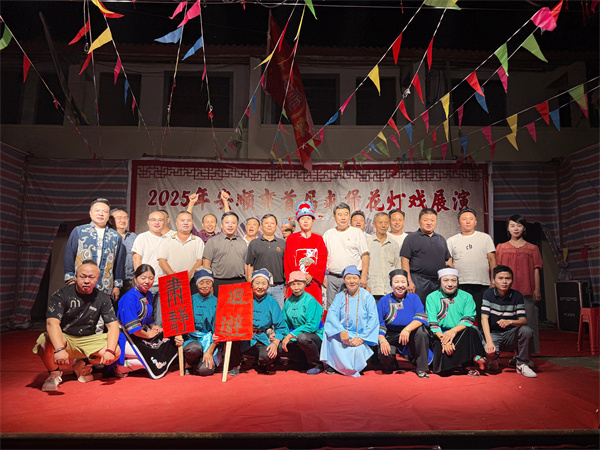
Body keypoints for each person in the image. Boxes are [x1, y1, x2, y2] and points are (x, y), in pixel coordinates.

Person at [33, 260, 120, 391]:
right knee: (45, 342)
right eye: (83, 276)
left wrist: (110, 351)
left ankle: (82, 364)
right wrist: (59, 349)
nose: (87, 281)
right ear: (75, 277)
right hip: (65, 339)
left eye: (91, 277)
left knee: (115, 351)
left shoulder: (103, 298)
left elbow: (113, 326)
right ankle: (54, 373)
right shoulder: (61, 295)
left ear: (98, 278)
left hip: (88, 340)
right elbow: (52, 323)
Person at [114, 264, 177, 379]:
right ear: (135, 278)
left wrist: (153, 326)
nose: (147, 281)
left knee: (168, 340)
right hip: (125, 337)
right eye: (143, 278)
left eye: (151, 278)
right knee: (153, 354)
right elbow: (133, 328)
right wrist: (148, 335)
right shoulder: (129, 298)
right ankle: (121, 366)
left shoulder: (148, 294)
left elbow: (148, 317)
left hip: (141, 333)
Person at [426, 268, 487, 377]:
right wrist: (444, 340)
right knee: (442, 370)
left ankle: (468, 365)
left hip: (460, 332)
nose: (450, 284)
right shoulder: (431, 297)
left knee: (471, 330)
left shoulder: (467, 297)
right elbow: (432, 321)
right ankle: (463, 359)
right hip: (439, 335)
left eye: (453, 280)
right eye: (446, 280)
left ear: (458, 281)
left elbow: (468, 319)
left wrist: (453, 331)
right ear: (440, 281)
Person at [495, 214, 543, 354]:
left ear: (524, 228)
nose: (516, 228)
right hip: (506, 292)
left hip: (526, 290)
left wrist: (537, 289)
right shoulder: (501, 248)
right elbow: (497, 270)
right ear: (508, 228)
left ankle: (527, 354)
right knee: (508, 322)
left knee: (530, 322)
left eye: (519, 225)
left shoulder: (532, 248)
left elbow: (536, 269)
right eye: (512, 225)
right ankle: (514, 354)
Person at [320, 265, 379, 377]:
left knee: (358, 351)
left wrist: (361, 338)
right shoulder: (339, 297)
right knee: (328, 332)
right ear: (344, 280)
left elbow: (373, 320)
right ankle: (333, 365)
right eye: (348, 278)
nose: (352, 281)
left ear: (359, 279)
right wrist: (341, 331)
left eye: (355, 278)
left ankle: (346, 366)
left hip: (360, 336)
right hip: (343, 336)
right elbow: (332, 316)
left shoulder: (367, 297)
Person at [64, 198, 125, 304]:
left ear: (109, 215)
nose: (101, 213)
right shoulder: (79, 231)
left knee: (102, 312)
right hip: (81, 285)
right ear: (90, 213)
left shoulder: (116, 236)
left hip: (105, 285)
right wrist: (70, 280)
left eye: (104, 211)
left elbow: (119, 263)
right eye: (97, 210)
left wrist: (117, 286)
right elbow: (69, 256)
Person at [228, 269, 288, 374]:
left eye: (264, 283)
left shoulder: (272, 302)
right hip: (245, 337)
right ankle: (237, 363)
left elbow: (281, 327)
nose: (260, 287)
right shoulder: (243, 298)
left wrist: (275, 343)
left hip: (263, 337)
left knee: (268, 355)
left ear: (268, 286)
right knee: (232, 338)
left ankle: (261, 362)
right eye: (257, 283)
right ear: (251, 284)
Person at [481, 265, 537, 378]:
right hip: (493, 334)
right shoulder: (488, 294)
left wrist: (510, 322)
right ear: (494, 280)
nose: (504, 282)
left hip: (510, 335)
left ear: (512, 280)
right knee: (490, 356)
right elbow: (484, 319)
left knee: (526, 331)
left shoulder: (517, 295)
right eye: (500, 278)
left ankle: (521, 363)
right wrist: (489, 341)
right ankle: (494, 360)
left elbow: (523, 320)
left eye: (508, 278)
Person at [377, 269, 432, 378]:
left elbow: (421, 317)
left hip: (410, 333)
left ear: (407, 283)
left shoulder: (414, 297)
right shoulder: (383, 300)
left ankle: (422, 368)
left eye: (403, 282)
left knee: (422, 333)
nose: (400, 285)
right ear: (391, 284)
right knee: (384, 355)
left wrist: (407, 329)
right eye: (396, 282)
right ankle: (392, 364)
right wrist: (382, 340)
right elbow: (379, 323)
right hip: (391, 335)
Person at [446, 208, 497, 325]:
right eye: (464, 219)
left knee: (483, 315)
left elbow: (492, 261)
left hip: (482, 284)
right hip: (460, 284)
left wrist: (493, 281)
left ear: (476, 222)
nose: (468, 221)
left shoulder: (485, 238)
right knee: (461, 315)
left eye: (471, 219)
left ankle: (483, 336)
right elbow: (449, 263)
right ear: (459, 223)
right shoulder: (452, 240)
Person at [157, 211, 205, 323]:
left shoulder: (198, 241)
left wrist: (188, 277)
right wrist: (176, 278)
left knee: (190, 315)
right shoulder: (167, 240)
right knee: (173, 317)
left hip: (191, 282)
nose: (185, 223)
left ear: (192, 223)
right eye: (182, 220)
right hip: (171, 283)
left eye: (188, 220)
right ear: (176, 223)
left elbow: (200, 260)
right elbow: (162, 261)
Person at [175, 268, 222, 376]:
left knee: (204, 370)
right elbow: (179, 321)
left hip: (209, 341)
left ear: (212, 284)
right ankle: (190, 362)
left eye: (208, 282)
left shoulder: (217, 302)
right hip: (191, 339)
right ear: (196, 284)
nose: (204, 286)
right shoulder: (189, 300)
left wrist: (209, 352)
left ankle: (199, 363)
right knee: (194, 349)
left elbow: (217, 332)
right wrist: (178, 335)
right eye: (201, 283)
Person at [401, 208, 452, 305]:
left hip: (438, 282)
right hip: (418, 281)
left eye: (432, 220)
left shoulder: (441, 239)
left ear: (436, 221)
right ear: (419, 221)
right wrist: (409, 281)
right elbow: (404, 260)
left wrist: (450, 279)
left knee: (438, 308)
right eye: (425, 220)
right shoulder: (411, 238)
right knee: (419, 309)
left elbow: (448, 260)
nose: (429, 223)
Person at [323, 202, 370, 308]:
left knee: (352, 309)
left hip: (352, 279)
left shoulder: (357, 232)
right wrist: (324, 276)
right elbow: (322, 256)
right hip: (332, 278)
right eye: (340, 214)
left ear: (349, 215)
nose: (343, 217)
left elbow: (365, 255)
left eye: (346, 214)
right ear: (334, 217)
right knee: (332, 309)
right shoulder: (328, 234)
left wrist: (363, 277)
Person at [132, 210, 172, 326]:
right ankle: (143, 336)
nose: (157, 222)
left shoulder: (169, 239)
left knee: (161, 318)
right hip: (148, 284)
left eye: (160, 220)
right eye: (153, 220)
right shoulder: (142, 237)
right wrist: (140, 280)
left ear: (165, 222)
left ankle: (158, 336)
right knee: (144, 315)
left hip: (164, 283)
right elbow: (136, 259)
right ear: (148, 222)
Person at [279, 271, 324, 375]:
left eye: (299, 284)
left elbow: (311, 326)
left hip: (314, 336)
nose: (296, 287)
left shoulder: (310, 300)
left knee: (303, 338)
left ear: (304, 284)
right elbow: (285, 323)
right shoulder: (288, 301)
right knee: (279, 347)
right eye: (293, 284)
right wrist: (283, 337)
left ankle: (316, 364)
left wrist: (291, 335)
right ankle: (301, 361)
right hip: (297, 336)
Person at [284, 202, 328, 306]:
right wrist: (297, 279)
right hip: (295, 283)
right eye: (302, 218)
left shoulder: (319, 239)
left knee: (313, 309)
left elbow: (322, 261)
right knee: (295, 310)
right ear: (298, 221)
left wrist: (311, 275)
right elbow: (288, 261)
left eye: (308, 218)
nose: (305, 221)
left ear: (313, 221)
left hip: (313, 282)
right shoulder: (292, 239)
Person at [246, 214, 286, 309]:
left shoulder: (282, 243)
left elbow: (286, 265)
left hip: (278, 288)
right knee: (260, 313)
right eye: (266, 223)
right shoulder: (254, 243)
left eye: (272, 223)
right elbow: (250, 265)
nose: (269, 225)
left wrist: (286, 285)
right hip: (259, 288)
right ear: (261, 226)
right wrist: (250, 284)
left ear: (276, 226)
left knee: (278, 314)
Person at [202, 211, 247, 296]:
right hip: (219, 282)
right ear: (222, 225)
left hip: (240, 282)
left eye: (233, 223)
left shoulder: (243, 242)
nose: (230, 225)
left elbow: (246, 266)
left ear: (237, 226)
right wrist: (208, 284)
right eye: (227, 222)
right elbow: (206, 265)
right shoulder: (212, 241)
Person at [367, 212, 402, 301]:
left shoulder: (394, 244)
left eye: (386, 223)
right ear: (374, 224)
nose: (383, 225)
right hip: (372, 290)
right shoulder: (367, 242)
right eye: (380, 222)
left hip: (390, 290)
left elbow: (398, 267)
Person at [111, 208, 137, 297]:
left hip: (130, 281)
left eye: (125, 218)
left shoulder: (133, 237)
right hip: (112, 281)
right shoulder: (108, 236)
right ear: (111, 220)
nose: (123, 220)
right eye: (119, 218)